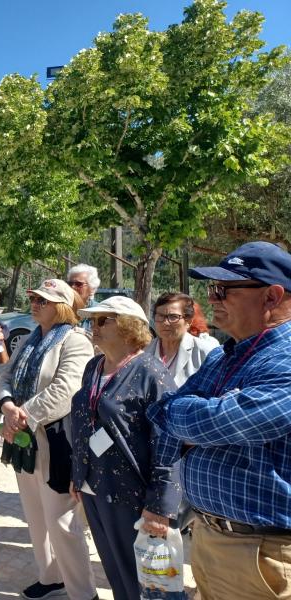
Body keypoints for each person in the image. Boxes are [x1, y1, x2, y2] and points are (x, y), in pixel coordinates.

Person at [147, 241, 291, 600]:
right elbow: (164, 413)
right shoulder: (228, 355)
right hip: (213, 538)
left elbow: (230, 422)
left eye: (222, 290)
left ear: (272, 296)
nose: (210, 300)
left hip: (263, 552)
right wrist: (199, 419)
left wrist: (200, 419)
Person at [70, 296, 181, 600]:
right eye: (92, 320)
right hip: (95, 487)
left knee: (145, 582)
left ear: (128, 326)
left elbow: (169, 442)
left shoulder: (151, 373)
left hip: (131, 494)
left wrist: (160, 505)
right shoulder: (94, 366)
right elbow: (86, 423)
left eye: (102, 320)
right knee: (116, 572)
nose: (93, 326)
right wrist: (77, 474)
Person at [0, 279, 97, 600]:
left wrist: (21, 415)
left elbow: (67, 390)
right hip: (24, 437)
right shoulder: (30, 339)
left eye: (43, 300)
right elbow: (5, 376)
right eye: (34, 298)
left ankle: (83, 592)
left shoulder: (75, 340)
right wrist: (7, 405)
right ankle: (51, 576)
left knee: (61, 521)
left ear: (62, 306)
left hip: (55, 441)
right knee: (36, 514)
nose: (35, 304)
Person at [146, 292, 219, 387]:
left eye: (173, 317)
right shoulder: (144, 352)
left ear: (188, 321)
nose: (165, 322)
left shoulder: (206, 352)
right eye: (160, 316)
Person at [66, 264, 100, 332]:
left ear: (92, 288)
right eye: (70, 284)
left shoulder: (99, 312)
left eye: (78, 284)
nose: (72, 287)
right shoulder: (62, 310)